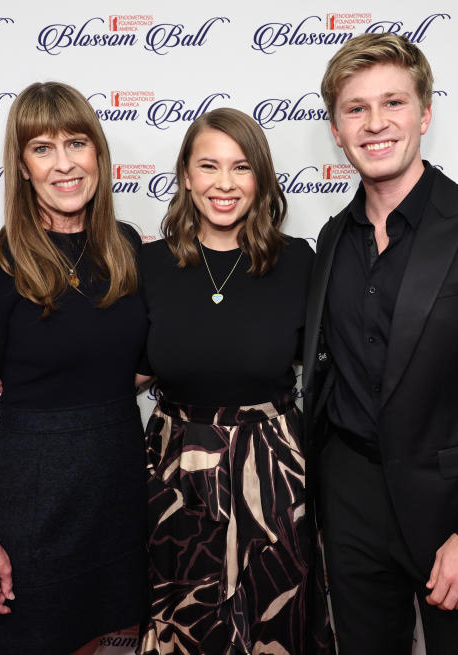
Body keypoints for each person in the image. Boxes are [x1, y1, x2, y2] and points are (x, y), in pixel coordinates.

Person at [302, 34, 458, 654]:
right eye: (355, 108)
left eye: (393, 102)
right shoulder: (332, 238)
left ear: (425, 112)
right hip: (350, 503)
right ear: (337, 130)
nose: (375, 123)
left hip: (456, 510)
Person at [0, 81, 148, 655]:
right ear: (22, 164)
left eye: (77, 143)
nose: (64, 164)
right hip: (35, 495)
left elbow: (132, 366)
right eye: (43, 148)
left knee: (110, 639)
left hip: (118, 483)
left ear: (98, 154)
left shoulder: (125, 247)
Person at [137, 107, 334, 655]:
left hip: (273, 472)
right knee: (183, 625)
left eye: (241, 167)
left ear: (261, 179)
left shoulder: (299, 263)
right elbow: (115, 366)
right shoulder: (148, 266)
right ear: (185, 175)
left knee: (275, 625)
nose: (224, 184)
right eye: (209, 166)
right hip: (177, 473)